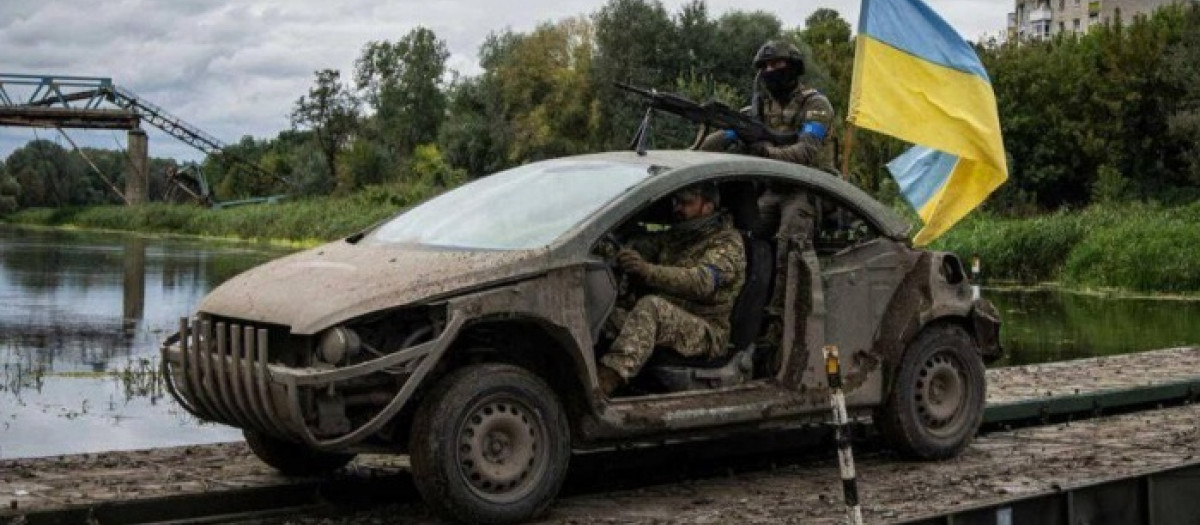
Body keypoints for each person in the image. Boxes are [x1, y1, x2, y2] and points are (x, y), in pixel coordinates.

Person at [597, 182, 746, 397]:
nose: (678, 209)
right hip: (670, 319)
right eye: (676, 202)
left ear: (708, 207)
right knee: (607, 313)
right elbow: (644, 246)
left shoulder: (727, 243)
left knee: (651, 308)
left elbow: (702, 282)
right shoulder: (679, 235)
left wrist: (647, 270)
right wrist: (622, 251)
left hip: (705, 329)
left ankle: (604, 385)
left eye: (686, 203)